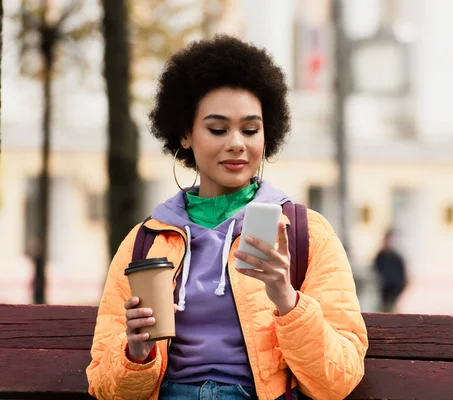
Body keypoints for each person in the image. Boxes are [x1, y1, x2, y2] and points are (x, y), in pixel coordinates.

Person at [86, 35, 368, 400]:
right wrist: (135, 354)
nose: (237, 143)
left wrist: (287, 299)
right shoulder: (146, 241)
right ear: (185, 134)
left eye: (251, 130)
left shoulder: (306, 234)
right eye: (218, 129)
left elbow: (337, 382)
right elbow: (105, 387)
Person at [374, 229, 408, 313]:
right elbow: (375, 271)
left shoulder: (396, 257)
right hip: (384, 290)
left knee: (391, 310)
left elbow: (403, 275)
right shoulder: (380, 256)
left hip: (394, 290)